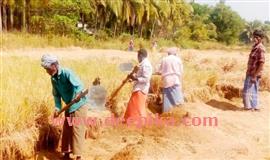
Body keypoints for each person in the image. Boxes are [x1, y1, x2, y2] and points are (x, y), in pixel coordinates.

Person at [41, 54, 87, 160]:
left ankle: (78, 156)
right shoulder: (53, 79)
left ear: (54, 65)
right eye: (45, 69)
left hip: (79, 105)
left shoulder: (67, 73)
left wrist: (77, 95)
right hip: (69, 106)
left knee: (77, 130)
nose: (47, 71)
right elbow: (56, 96)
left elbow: (79, 85)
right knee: (67, 130)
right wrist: (57, 108)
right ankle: (66, 154)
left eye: (48, 68)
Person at [124, 48, 153, 120]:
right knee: (134, 106)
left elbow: (146, 79)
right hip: (138, 87)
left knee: (137, 106)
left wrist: (135, 79)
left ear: (140, 55)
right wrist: (133, 78)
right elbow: (139, 76)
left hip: (141, 89)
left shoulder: (146, 65)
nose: (137, 58)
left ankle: (136, 121)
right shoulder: (142, 64)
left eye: (138, 56)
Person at [155, 47, 184, 112]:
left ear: (168, 53)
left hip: (166, 80)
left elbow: (159, 70)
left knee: (167, 98)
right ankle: (178, 111)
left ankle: (166, 112)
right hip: (175, 80)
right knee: (177, 96)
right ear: (175, 53)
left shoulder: (164, 59)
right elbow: (181, 71)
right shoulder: (178, 59)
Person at [243, 30, 265, 111]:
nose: (255, 39)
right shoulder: (255, 47)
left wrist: (254, 76)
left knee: (248, 90)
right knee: (253, 90)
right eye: (254, 37)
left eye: (257, 37)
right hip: (251, 72)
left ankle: (249, 108)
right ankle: (255, 107)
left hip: (254, 74)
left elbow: (261, 63)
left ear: (261, 38)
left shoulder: (260, 48)